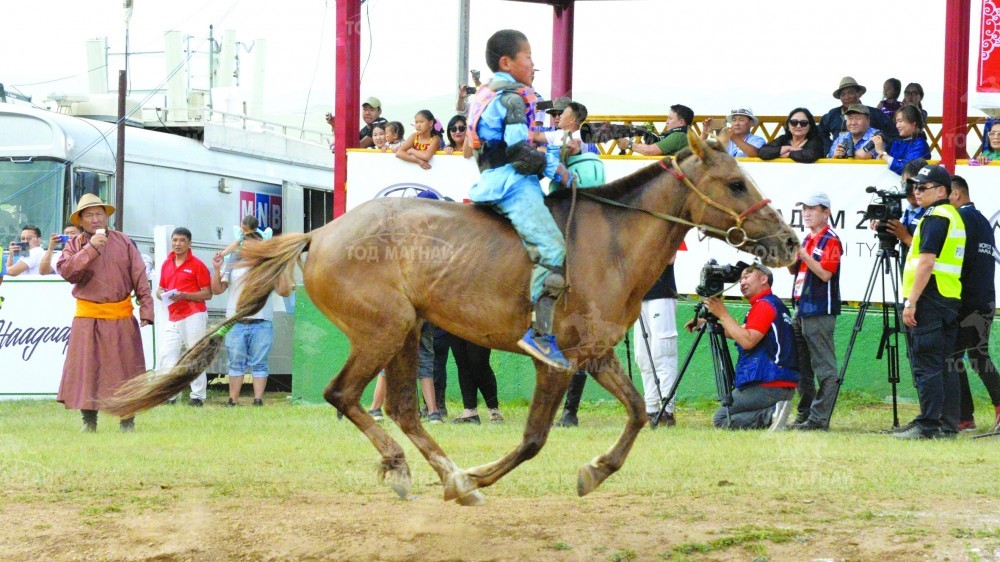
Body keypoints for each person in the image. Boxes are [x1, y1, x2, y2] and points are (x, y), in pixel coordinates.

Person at [466, 28, 572, 369]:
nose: (533, 64)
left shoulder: (486, 93)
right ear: (506, 62)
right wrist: (556, 168)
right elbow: (518, 155)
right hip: (512, 184)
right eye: (528, 57)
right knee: (555, 250)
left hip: (489, 180)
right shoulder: (511, 98)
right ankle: (539, 334)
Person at [56, 194, 153, 432]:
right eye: (89, 215)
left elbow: (139, 274)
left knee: (126, 370)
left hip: (120, 315)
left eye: (100, 214)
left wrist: (146, 307)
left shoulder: (123, 241)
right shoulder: (74, 244)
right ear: (80, 220)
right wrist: (90, 249)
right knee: (87, 370)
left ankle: (127, 420)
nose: (96, 219)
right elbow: (68, 272)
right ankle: (89, 421)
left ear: (106, 217)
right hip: (88, 317)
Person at [895, 164, 965, 439]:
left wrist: (911, 301)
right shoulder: (952, 215)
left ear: (941, 190)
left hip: (929, 299)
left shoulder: (936, 217)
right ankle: (947, 424)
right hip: (947, 297)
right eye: (914, 186)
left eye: (922, 187)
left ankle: (927, 424)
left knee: (926, 364)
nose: (916, 191)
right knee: (945, 363)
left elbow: (926, 261)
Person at [689, 264, 799, 430]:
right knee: (726, 416)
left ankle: (771, 414)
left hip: (769, 384)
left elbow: (747, 341)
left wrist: (723, 314)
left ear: (764, 279)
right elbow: (740, 332)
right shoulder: (773, 303)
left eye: (747, 276)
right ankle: (774, 412)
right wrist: (706, 323)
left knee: (721, 419)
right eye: (740, 279)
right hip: (780, 383)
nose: (742, 282)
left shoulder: (764, 306)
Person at [209, 236, 292, 407]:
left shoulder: (268, 267)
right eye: (245, 245)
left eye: (254, 245)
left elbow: (285, 292)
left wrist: (280, 266)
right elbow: (217, 290)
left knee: (260, 363)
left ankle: (258, 400)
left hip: (261, 322)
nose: (248, 249)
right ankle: (232, 401)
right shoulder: (232, 265)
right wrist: (217, 269)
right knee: (235, 363)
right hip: (236, 322)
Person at [947, 176, 1000, 432]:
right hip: (986, 297)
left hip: (968, 300)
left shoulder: (960, 220)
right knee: (978, 356)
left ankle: (964, 416)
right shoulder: (981, 221)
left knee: (954, 356)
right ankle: (968, 415)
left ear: (956, 194)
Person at [786, 193, 842, 430]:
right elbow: (793, 271)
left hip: (820, 309)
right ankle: (805, 414)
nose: (806, 213)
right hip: (801, 308)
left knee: (824, 368)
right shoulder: (807, 239)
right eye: (804, 209)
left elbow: (825, 274)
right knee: (802, 367)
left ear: (826, 212)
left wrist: (804, 255)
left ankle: (818, 419)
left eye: (812, 209)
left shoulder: (831, 240)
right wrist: (790, 254)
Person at [157, 227, 212, 406]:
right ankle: (169, 394)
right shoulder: (167, 263)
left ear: (189, 243)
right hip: (174, 314)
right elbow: (159, 289)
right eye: (174, 240)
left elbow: (207, 294)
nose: (177, 244)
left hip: (194, 313)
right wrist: (163, 294)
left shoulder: (197, 265)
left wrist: (185, 295)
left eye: (181, 240)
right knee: (167, 354)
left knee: (194, 353)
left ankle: (197, 396)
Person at [818, 76, 895, 154]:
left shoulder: (876, 114)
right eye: (843, 94)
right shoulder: (832, 115)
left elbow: (893, 134)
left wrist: (879, 150)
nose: (847, 97)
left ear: (859, 94)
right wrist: (829, 149)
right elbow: (820, 133)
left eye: (850, 93)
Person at [870, 105, 931, 175]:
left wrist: (882, 152)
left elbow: (905, 169)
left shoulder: (920, 145)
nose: (897, 125)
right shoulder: (898, 142)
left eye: (900, 121)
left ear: (913, 123)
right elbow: (888, 162)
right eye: (896, 122)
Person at [618, 104, 694, 157]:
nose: (666, 122)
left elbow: (650, 151)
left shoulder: (679, 136)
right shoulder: (688, 134)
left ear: (681, 122)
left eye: (670, 119)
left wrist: (628, 144)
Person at [758, 107, 824, 163]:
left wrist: (789, 154)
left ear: (810, 126)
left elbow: (810, 155)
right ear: (788, 125)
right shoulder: (783, 139)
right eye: (794, 122)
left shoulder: (816, 140)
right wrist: (788, 148)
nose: (798, 126)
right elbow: (762, 152)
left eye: (803, 123)